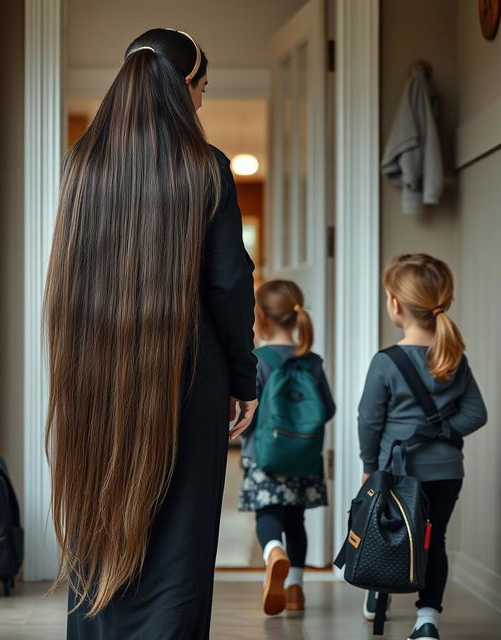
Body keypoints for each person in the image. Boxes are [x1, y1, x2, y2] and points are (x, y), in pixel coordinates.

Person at [43, 28, 258, 640]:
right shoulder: (206, 167)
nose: (202, 104)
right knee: (180, 540)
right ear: (184, 87)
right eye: (203, 90)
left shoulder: (81, 165)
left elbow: (68, 273)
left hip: (93, 369)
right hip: (190, 376)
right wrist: (244, 379)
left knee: (100, 519)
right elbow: (228, 284)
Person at [358, 254, 487, 640]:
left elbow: (369, 420)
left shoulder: (385, 361)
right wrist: (441, 432)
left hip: (396, 472)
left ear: (395, 304)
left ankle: (376, 591)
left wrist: (369, 464)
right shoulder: (453, 357)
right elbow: (476, 413)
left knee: (386, 531)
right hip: (446, 472)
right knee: (434, 540)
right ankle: (426, 620)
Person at [238, 280, 335, 616]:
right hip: (304, 458)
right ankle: (295, 588)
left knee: (269, 515)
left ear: (260, 319)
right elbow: (329, 410)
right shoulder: (312, 361)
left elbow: (247, 410)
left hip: (263, 457)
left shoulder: (257, 360)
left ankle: (273, 552)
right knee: (297, 521)